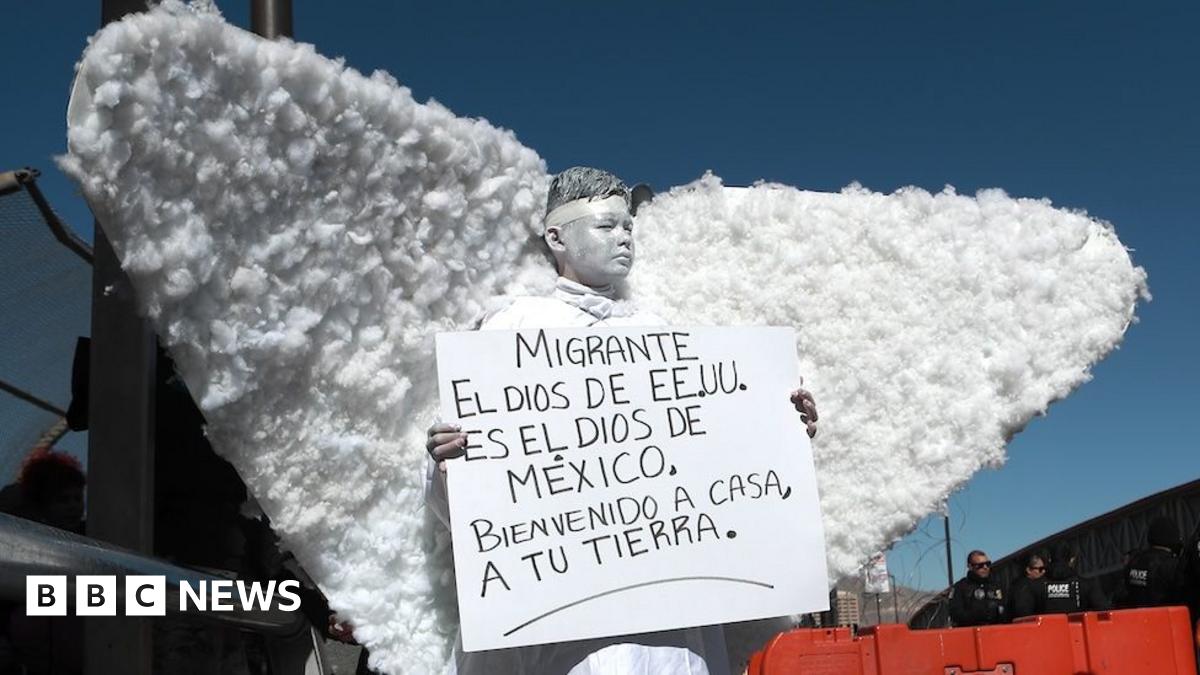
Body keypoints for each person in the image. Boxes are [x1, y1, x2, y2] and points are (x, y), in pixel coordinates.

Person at [424, 166, 819, 675]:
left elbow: (717, 467)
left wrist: (782, 430)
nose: (624, 238)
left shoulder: (662, 337)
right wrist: (445, 461)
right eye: (607, 226)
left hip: (671, 635)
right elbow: (469, 512)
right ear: (556, 237)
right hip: (558, 632)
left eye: (629, 227)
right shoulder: (513, 328)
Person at [1115, 517, 1183, 609]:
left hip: (1139, 619)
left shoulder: (1133, 562)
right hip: (1167, 618)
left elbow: (1121, 595)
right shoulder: (1173, 565)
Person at [1039, 542, 1108, 614]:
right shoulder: (1087, 585)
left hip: (1046, 624)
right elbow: (1105, 613)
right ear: (1072, 559)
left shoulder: (1036, 587)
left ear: (1049, 559)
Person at [948, 550, 1007, 627]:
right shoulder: (960, 587)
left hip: (996, 632)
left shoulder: (997, 586)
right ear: (970, 567)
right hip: (970, 633)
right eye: (980, 565)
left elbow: (1007, 611)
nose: (985, 567)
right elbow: (955, 614)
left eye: (987, 564)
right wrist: (979, 613)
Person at [1008, 552, 1047, 619]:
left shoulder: (1041, 583)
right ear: (1028, 570)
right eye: (1040, 569)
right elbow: (1024, 615)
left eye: (1044, 568)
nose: (1043, 571)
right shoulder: (1022, 588)